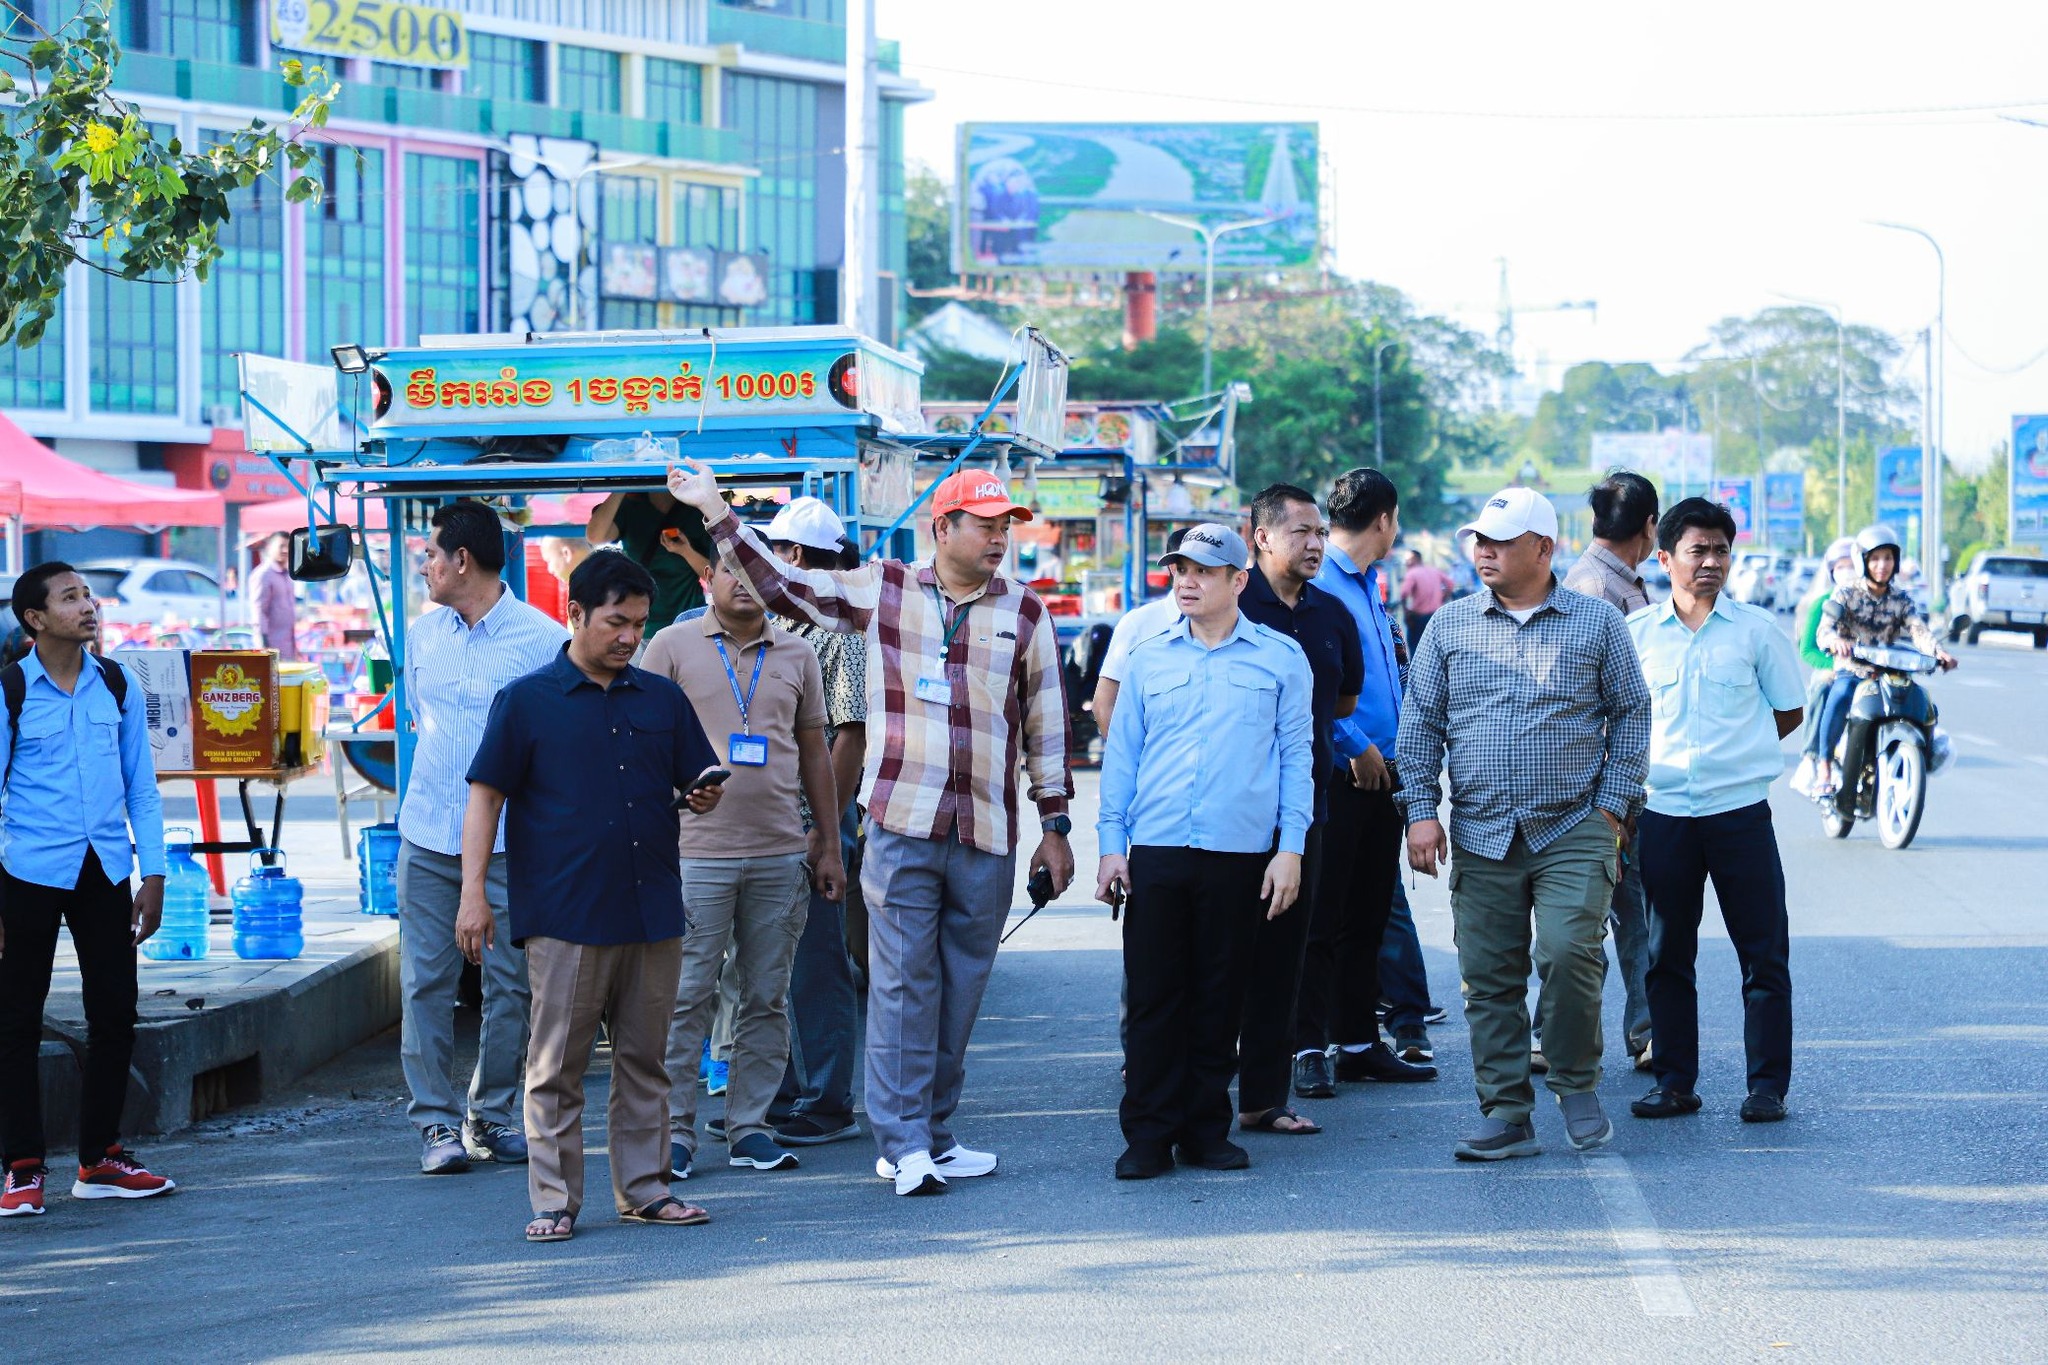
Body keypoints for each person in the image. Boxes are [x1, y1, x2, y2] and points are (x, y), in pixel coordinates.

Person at [666, 460, 1075, 1197]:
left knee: (961, 990)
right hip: (902, 824)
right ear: (941, 527)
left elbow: (1046, 720)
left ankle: (935, 1134)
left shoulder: (1026, 611)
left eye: (1004, 525)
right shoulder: (885, 588)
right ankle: (903, 1141)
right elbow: (782, 585)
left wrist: (1056, 824)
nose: (998, 537)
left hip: (985, 831)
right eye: (984, 524)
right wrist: (717, 511)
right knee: (900, 986)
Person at [459, 550, 728, 1243]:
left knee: (648, 1059)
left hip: (652, 908)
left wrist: (701, 790)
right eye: (616, 622)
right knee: (556, 1065)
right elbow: (485, 798)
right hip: (566, 914)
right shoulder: (525, 701)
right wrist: (472, 895)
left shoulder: (661, 698)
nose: (629, 637)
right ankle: (554, 1198)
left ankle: (645, 1188)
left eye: (639, 623)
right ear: (575, 614)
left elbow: (693, 778)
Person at [1396, 487, 1651, 1161]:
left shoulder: (1597, 624)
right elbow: (1418, 724)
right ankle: (1507, 1111)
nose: (1484, 550)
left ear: (1544, 547)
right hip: (1481, 830)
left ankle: (1575, 1084)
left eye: (1500, 540)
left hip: (1573, 824)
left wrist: (1612, 804)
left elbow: (1632, 712)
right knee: (1489, 976)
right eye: (1479, 539)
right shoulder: (1449, 626)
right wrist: (1421, 812)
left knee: (1570, 953)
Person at [1095, 523, 1313, 1179]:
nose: (1187, 581)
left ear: (1238, 581)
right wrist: (1111, 846)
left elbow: (1297, 759)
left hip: (1241, 851)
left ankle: (1204, 1128)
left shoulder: (1280, 658)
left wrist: (1290, 848)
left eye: (1204, 571)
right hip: (1159, 849)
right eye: (1180, 569)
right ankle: (1148, 1135)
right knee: (1156, 997)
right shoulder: (1148, 658)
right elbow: (1122, 758)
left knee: (1220, 996)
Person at [645, 551, 846, 1180]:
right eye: (727, 569)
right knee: (686, 999)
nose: (741, 582)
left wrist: (829, 844)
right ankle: (672, 1134)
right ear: (707, 580)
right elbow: (636, 740)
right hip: (694, 856)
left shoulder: (797, 653)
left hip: (779, 853)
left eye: (752, 571)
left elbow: (815, 749)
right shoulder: (671, 647)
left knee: (765, 998)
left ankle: (750, 1127)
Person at [396, 502, 567, 1176]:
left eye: (432, 554)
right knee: (425, 982)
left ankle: (493, 1114)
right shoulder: (422, 635)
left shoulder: (544, 639)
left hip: (512, 845)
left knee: (512, 986)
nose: (426, 566)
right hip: (429, 835)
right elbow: (422, 723)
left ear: (461, 559)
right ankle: (435, 1121)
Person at [0, 563, 174, 1216]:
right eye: (70, 597)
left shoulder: (116, 684)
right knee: (15, 1021)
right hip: (28, 875)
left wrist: (152, 872)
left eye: (88, 594)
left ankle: (100, 1158)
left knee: (115, 1013)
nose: (88, 604)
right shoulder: (12, 691)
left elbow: (141, 788)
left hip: (105, 871)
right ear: (36, 620)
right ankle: (21, 1167)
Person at [1624, 499, 1805, 1125]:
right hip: (1665, 814)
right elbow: (1621, 723)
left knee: (1763, 953)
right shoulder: (1637, 636)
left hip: (1740, 815)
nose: (1711, 561)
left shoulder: (1756, 632)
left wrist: (1741, 756)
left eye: (1721, 550)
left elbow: (1788, 710)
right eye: (1698, 550)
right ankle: (1675, 1082)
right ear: (1666, 558)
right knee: (1667, 954)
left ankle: (1767, 1088)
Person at [1294, 468, 1437, 1098]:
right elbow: (1315, 688)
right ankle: (1309, 1047)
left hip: (1384, 773)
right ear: (1384, 519)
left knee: (1368, 915)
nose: (1397, 529)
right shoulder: (1319, 585)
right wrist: (1358, 747)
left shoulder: (1368, 585)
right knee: (1322, 917)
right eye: (1396, 518)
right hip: (1342, 769)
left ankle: (1357, 1042)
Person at [1233, 485, 1362, 1136]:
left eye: (1320, 532)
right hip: (1226, 810)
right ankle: (1188, 1095)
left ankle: (1263, 1097)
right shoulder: (1229, 606)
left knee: (1287, 951)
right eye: (1301, 531)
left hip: (1303, 810)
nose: (1316, 543)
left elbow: (1341, 702)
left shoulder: (1331, 615)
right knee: (1216, 953)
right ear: (1260, 537)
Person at [762, 503, 870, 1149]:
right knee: (765, 966)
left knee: (815, 962)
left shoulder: (837, 627)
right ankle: (776, 1094)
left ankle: (827, 1098)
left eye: (775, 549)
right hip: (767, 823)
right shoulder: (774, 624)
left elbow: (850, 736)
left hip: (815, 826)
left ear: (795, 557)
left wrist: (823, 830)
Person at [1554, 470, 1660, 1073]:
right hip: (1599, 784)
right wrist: (1612, 799)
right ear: (1648, 528)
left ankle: (1617, 1028)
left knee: (1607, 909)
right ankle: (1633, 1029)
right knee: (1609, 910)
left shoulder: (1609, 582)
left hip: (1609, 780)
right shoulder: (1599, 592)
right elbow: (1591, 702)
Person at [1810, 526, 1954, 796]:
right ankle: (1825, 767)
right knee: (1839, 695)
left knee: (1925, 703)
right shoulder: (1845, 593)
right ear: (1862, 561)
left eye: (1888, 558)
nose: (1882, 565)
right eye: (1875, 559)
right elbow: (1824, 629)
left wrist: (1938, 652)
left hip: (1891, 672)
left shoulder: (1902, 599)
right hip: (1853, 670)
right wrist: (1835, 641)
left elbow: (1918, 630)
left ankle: (1925, 758)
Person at [1089, 528, 1190, 735]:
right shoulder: (1139, 623)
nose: (1194, 580)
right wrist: (1130, 761)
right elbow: (1104, 704)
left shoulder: (1234, 627)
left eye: (1205, 569)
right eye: (1187, 568)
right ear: (1173, 568)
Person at [586, 488, 716, 637]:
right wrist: (621, 487)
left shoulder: (695, 512)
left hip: (689, 624)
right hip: (640, 628)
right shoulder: (631, 506)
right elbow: (594, 536)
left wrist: (685, 551)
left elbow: (714, 576)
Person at [1789, 538, 1859, 797]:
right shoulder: (1822, 604)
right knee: (1822, 686)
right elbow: (1808, 649)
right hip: (1835, 669)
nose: (1847, 571)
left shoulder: (1874, 600)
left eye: (1852, 565)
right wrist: (1834, 664)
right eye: (1841, 566)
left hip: (1871, 669)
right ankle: (1814, 757)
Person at [247, 533, 300, 661]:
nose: (285, 550)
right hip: (270, 648)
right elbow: (259, 611)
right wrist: (264, 646)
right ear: (270, 547)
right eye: (281, 546)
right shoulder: (263, 575)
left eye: (288, 546)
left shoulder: (288, 575)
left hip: (288, 648)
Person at [1398, 549, 1454, 650]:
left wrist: (1406, 612)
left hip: (1419, 617)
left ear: (1416, 559)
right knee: (1433, 646)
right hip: (1435, 615)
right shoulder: (1434, 571)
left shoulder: (1411, 573)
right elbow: (1450, 584)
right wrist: (1442, 598)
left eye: (1408, 559)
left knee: (1415, 646)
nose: (1406, 562)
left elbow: (1404, 594)